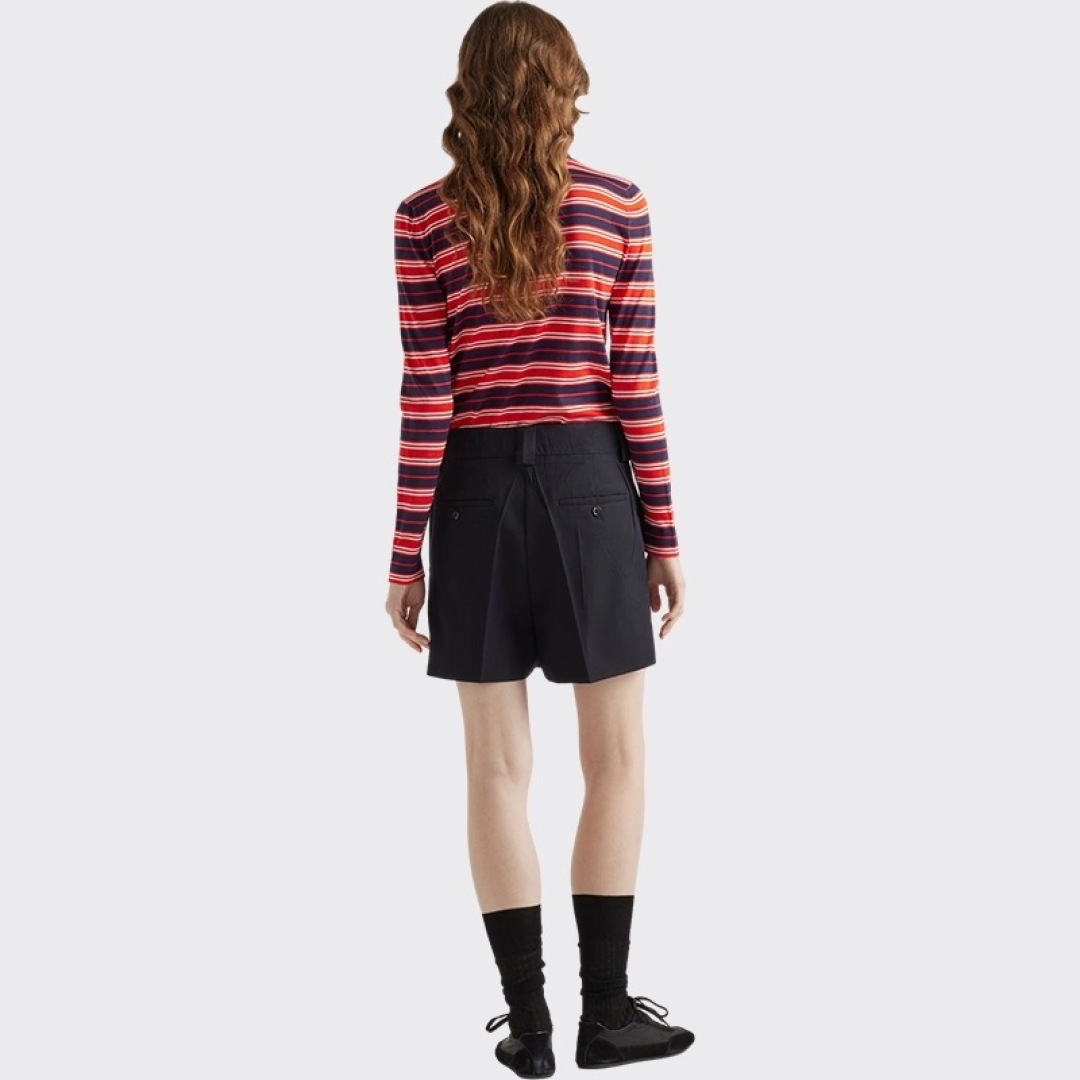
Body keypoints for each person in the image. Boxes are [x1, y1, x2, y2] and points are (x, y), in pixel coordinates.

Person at [383, 3, 693, 1074]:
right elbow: (634, 381)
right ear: (566, 86)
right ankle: (607, 1015)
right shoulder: (618, 205)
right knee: (617, 757)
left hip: (470, 495)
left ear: (468, 88)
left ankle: (532, 1026)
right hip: (592, 489)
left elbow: (428, 395)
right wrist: (663, 531)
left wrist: (403, 552)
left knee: (495, 770)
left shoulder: (422, 218)